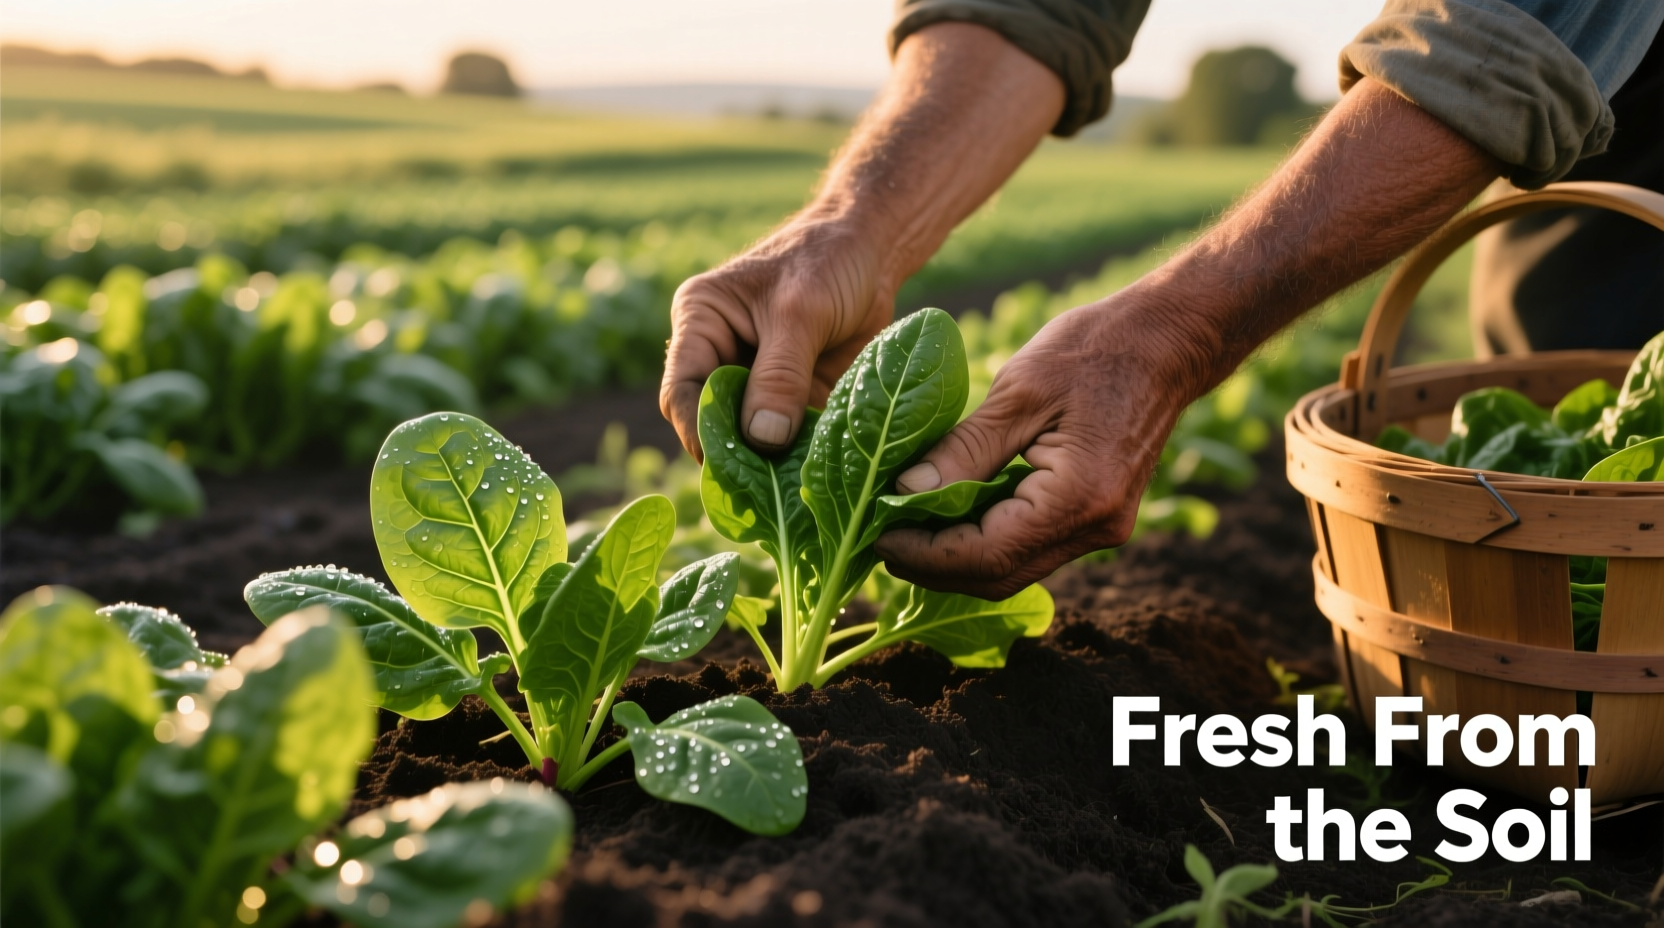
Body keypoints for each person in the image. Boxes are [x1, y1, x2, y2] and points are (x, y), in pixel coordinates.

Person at [658, 1, 1664, 601]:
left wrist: (1177, 328)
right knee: (1567, 488)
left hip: (1600, 61)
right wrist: (857, 223)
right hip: (1582, 96)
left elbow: (1515, 31)